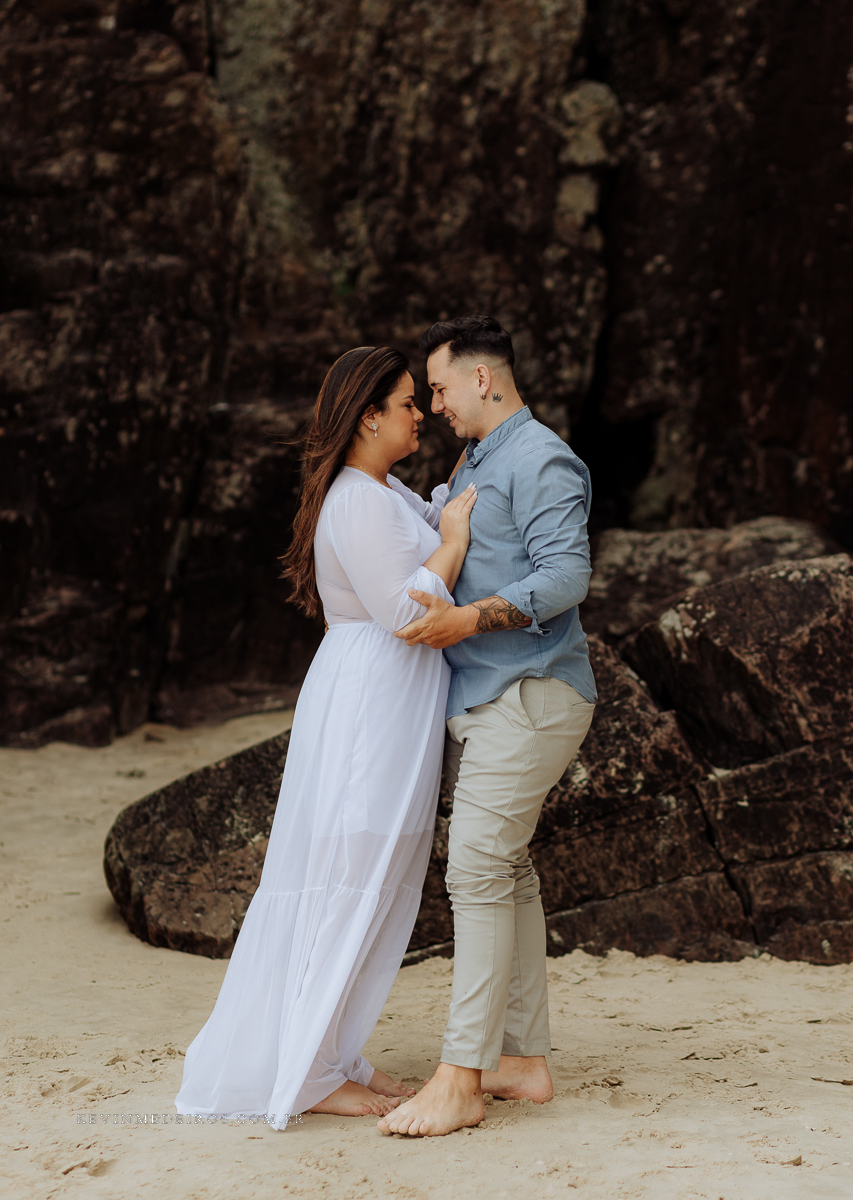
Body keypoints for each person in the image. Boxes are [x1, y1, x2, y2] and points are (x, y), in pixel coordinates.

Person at [175, 346, 477, 1129]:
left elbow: (437, 510)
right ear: (368, 415)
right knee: (347, 876)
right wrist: (450, 539)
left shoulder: (379, 492)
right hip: (368, 707)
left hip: (386, 703)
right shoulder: (357, 500)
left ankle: (332, 1053)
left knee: (372, 880)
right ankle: (311, 1070)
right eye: (409, 403)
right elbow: (409, 615)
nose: (420, 415)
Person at [378, 313, 597, 1138]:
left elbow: (568, 574)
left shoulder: (540, 456)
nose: (432, 404)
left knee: (472, 871)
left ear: (481, 378)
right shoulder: (478, 456)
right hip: (491, 699)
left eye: (437, 387)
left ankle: (461, 1077)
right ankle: (523, 1061)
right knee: (506, 873)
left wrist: (466, 621)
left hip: (531, 694)